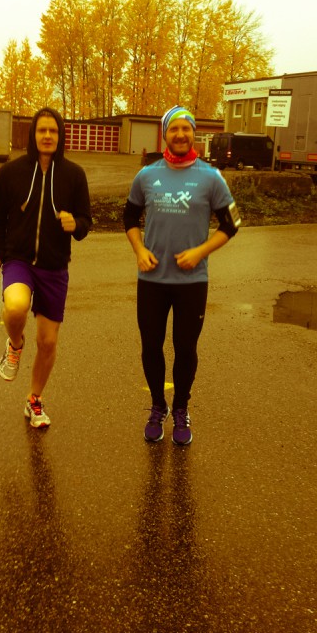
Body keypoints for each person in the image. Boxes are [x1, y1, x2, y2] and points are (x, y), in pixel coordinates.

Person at [123, 105, 241, 446]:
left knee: (185, 348)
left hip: (192, 283)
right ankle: (158, 407)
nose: (180, 134)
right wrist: (139, 249)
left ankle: (181, 409)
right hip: (152, 281)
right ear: (165, 134)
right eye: (173, 129)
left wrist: (200, 252)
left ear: (193, 133)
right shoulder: (147, 176)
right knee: (151, 347)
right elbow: (129, 219)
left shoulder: (211, 177)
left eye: (185, 128)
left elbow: (232, 225)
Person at [0, 107, 92, 428]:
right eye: (42, 130)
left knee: (47, 343)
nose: (47, 136)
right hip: (18, 260)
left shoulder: (74, 176)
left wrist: (76, 225)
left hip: (54, 266)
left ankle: (34, 400)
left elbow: (86, 223)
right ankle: (14, 345)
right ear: (33, 135)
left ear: (60, 137)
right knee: (15, 307)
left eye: (53, 131)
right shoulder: (11, 173)